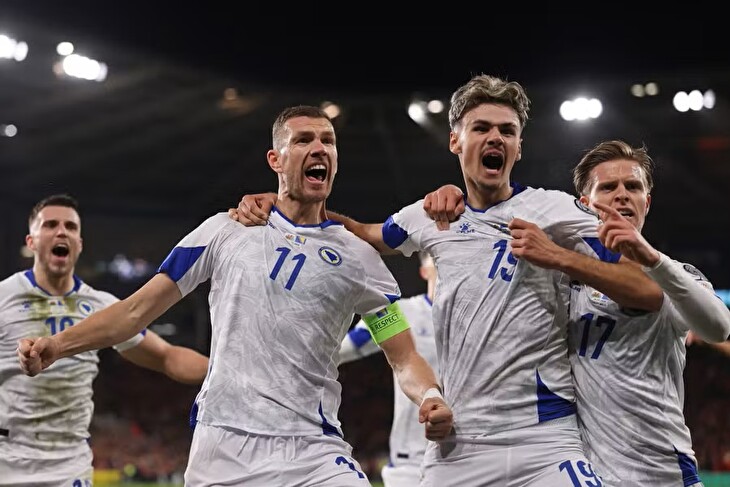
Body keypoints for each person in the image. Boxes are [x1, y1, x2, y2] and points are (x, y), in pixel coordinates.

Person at [231, 75, 665, 486]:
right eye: (481, 128)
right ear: (456, 141)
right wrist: (284, 205)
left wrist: (558, 256)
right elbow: (362, 233)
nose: (495, 138)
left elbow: (646, 291)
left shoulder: (555, 211)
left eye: (507, 131)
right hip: (459, 443)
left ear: (518, 147)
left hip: (545, 441)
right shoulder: (429, 216)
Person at [18, 106, 453, 487]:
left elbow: (402, 356)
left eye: (328, 141)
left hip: (313, 449)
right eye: (303, 140)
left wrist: (430, 395)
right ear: (275, 159)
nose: (319, 148)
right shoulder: (224, 231)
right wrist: (58, 345)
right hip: (223, 445)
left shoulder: (361, 260)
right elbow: (134, 311)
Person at [0, 193, 210, 487]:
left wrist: (224, 371)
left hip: (69, 466)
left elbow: (167, 356)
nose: (61, 232)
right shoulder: (4, 297)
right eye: (50, 225)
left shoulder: (102, 307)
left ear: (79, 244)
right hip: (7, 460)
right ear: (31, 241)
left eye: (70, 227)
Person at [565, 140, 730, 485]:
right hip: (587, 473)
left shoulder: (677, 275)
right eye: (608, 187)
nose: (622, 195)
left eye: (633, 186)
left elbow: (718, 328)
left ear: (647, 202)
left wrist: (652, 260)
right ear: (584, 204)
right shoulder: (564, 280)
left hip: (661, 471)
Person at [339, 251, 439, 487]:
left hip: (472, 450)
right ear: (424, 271)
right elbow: (342, 350)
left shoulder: (480, 320)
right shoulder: (403, 312)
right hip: (413, 460)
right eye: (437, 260)